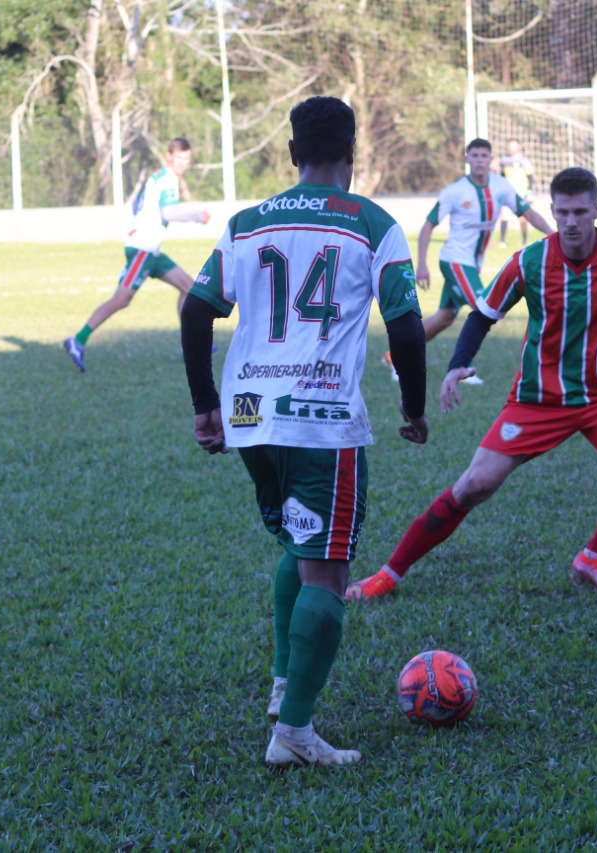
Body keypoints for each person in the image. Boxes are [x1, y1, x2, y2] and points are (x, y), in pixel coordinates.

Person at [180, 96, 429, 768]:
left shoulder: (246, 223)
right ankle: (293, 733)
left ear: (291, 153)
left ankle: (283, 682)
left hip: (249, 416)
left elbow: (196, 310)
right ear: (353, 153)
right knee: (328, 566)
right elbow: (406, 326)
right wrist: (413, 407)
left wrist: (205, 405)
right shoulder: (373, 223)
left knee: (299, 539)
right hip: (320, 419)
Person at [348, 167, 597, 604]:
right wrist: (458, 364)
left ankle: (594, 557)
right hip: (537, 399)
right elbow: (482, 316)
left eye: (580, 212)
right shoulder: (530, 261)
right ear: (553, 211)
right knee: (474, 485)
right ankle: (388, 574)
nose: (571, 222)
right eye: (563, 212)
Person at [383, 138, 553, 385]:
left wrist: (552, 235)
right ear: (467, 159)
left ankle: (393, 357)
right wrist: (421, 264)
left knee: (443, 319)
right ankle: (460, 368)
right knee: (484, 308)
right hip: (455, 261)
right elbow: (428, 225)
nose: (480, 160)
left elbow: (527, 212)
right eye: (475, 156)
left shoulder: (501, 186)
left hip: (472, 264)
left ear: (491, 159)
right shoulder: (455, 192)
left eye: (484, 156)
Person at [64, 137, 211, 372]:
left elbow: (140, 208)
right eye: (179, 158)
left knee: (188, 287)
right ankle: (77, 340)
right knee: (121, 299)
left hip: (150, 249)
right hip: (143, 248)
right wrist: (197, 215)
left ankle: (189, 346)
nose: (183, 163)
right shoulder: (167, 180)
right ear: (169, 156)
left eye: (186, 159)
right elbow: (169, 212)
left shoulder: (159, 178)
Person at [497, 140, 534, 248]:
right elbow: (502, 176)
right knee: (504, 216)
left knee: (523, 218)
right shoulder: (504, 160)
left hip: (521, 194)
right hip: (508, 194)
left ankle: (524, 241)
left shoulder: (524, 160)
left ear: (519, 146)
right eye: (510, 146)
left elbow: (530, 176)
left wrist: (529, 191)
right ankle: (502, 241)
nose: (511, 148)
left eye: (514, 146)